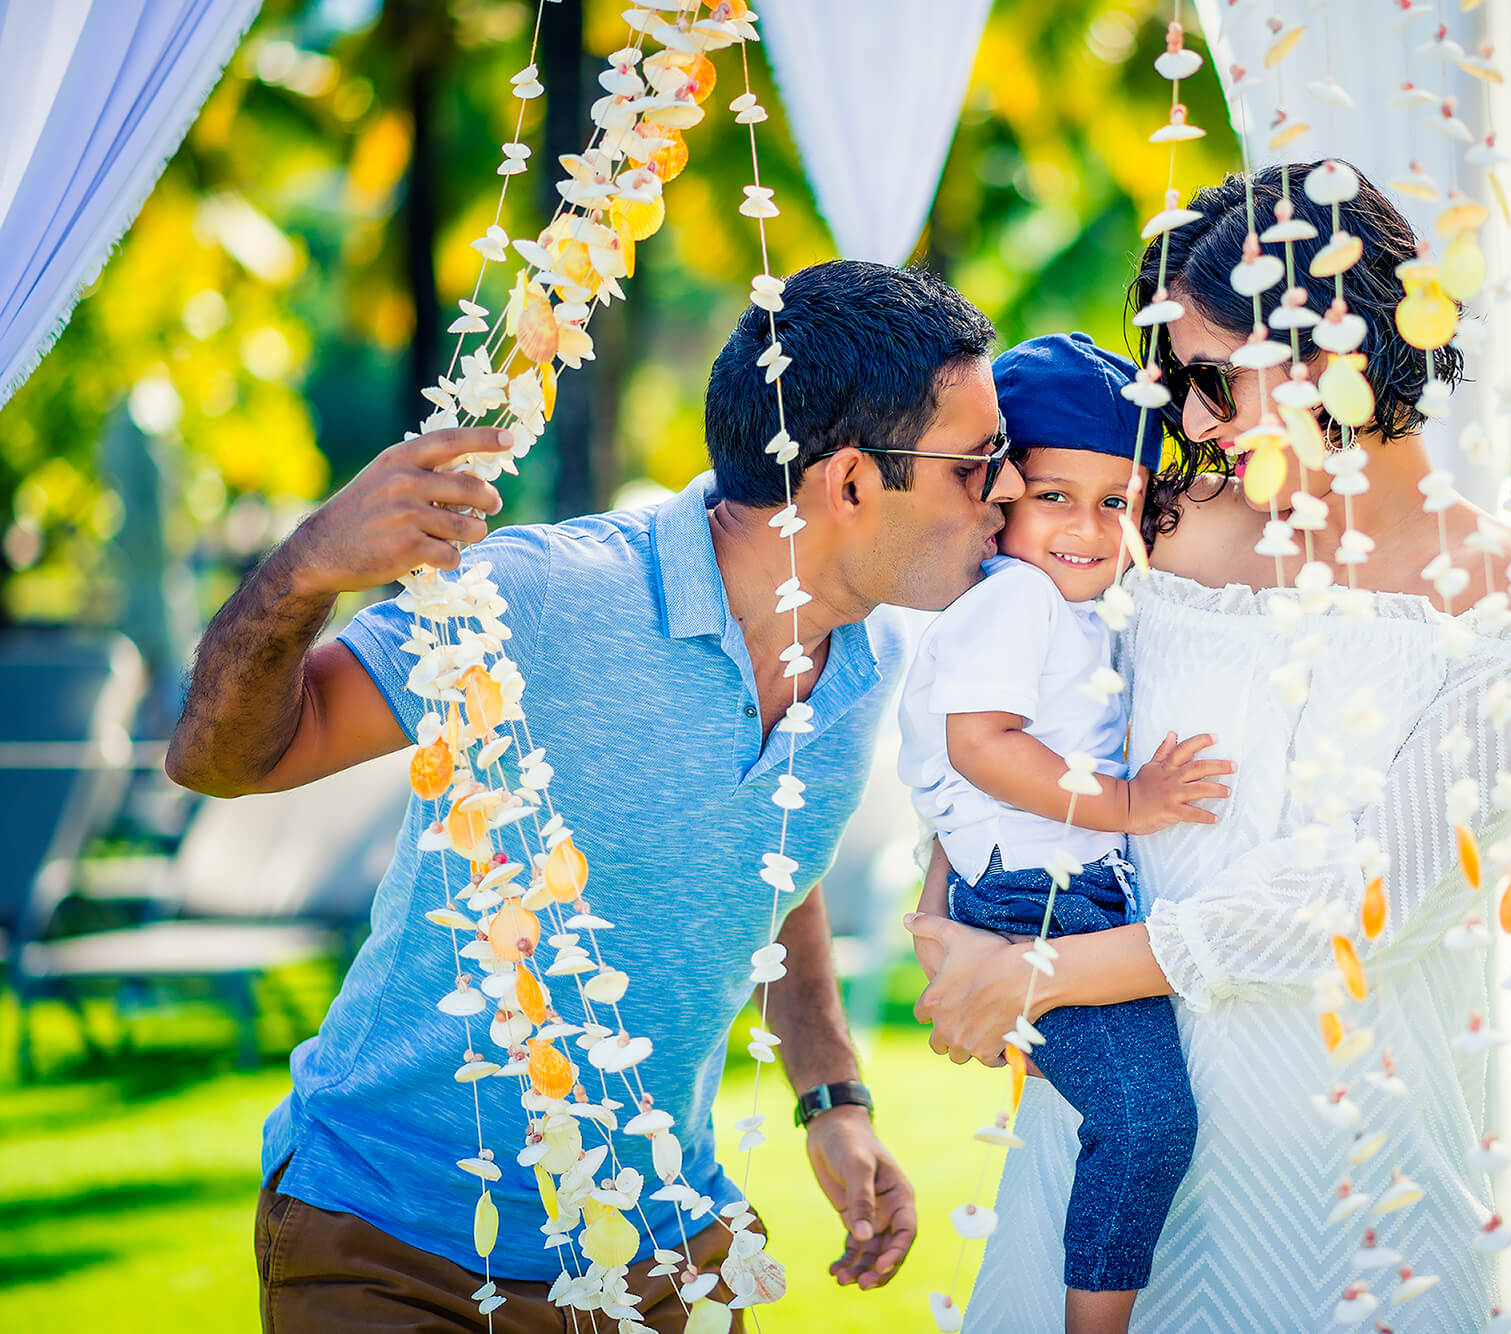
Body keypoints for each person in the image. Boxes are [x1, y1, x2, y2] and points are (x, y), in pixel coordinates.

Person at [166, 259, 1026, 1333]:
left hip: (658, 1249)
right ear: (848, 481)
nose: (1005, 487)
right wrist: (303, 571)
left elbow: (772, 858)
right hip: (390, 1236)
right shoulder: (543, 596)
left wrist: (831, 1096)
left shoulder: (877, 658)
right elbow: (221, 758)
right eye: (977, 459)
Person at [907, 164, 1511, 1332]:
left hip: (1353, 1169)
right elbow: (1006, 697)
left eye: (1220, 376)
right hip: (1116, 1128)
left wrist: (1046, 975)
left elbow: (1376, 890)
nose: (1191, 417)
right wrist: (954, 919)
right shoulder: (1157, 529)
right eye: (1179, 380)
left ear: (1342, 346)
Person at [897, 333, 1232, 1334]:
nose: (1085, 526)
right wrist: (1131, 804)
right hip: (1034, 891)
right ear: (1000, 493)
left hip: (1046, 885)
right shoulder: (1017, 598)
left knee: (1131, 1109)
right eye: (1053, 495)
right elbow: (980, 743)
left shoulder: (1057, 601)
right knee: (1144, 1121)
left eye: (1114, 501)